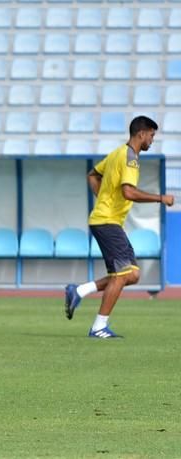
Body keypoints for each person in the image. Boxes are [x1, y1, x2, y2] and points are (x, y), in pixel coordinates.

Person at [65, 116, 174, 338]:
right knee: (124, 274)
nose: (152, 140)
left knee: (131, 275)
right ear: (141, 134)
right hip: (107, 222)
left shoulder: (117, 153)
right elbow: (128, 192)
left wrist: (104, 198)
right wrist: (161, 198)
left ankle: (79, 290)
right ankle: (98, 327)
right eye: (152, 135)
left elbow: (93, 175)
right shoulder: (130, 159)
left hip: (105, 220)